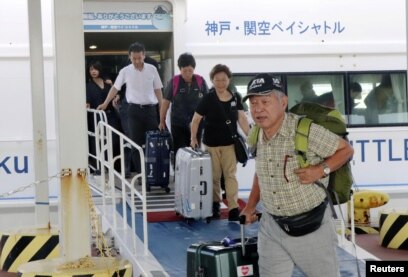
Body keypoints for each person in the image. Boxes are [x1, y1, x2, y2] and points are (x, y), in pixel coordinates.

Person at [240, 73, 354, 276]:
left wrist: (320, 170)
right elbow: (262, 171)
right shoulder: (255, 134)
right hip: (272, 227)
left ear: (283, 103)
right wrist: (250, 206)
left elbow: (346, 150)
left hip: (311, 227)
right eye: (253, 103)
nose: (258, 109)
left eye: (265, 101)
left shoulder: (305, 131)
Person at [190, 64, 250, 221]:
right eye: (217, 80)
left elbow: (242, 118)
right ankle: (216, 204)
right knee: (215, 176)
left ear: (229, 80)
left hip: (229, 143)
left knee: (230, 175)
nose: (221, 83)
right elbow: (196, 120)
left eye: (224, 79)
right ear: (212, 80)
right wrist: (193, 138)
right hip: (211, 144)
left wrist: (250, 137)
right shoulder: (208, 98)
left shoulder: (235, 97)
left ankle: (233, 208)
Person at [98, 42, 163, 176]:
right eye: (134, 58)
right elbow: (115, 88)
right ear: (129, 57)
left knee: (154, 142)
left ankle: (154, 172)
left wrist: (162, 109)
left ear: (144, 55)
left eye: (139, 58)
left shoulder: (152, 69)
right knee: (135, 143)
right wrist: (105, 103)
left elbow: (158, 89)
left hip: (150, 110)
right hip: (133, 111)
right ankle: (141, 174)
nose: (137, 61)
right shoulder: (125, 71)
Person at [159, 53, 209, 161]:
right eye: (184, 70)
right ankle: (179, 177)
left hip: (197, 125)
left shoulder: (200, 82)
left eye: (190, 70)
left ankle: (193, 176)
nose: (187, 73)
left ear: (194, 69)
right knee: (180, 152)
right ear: (180, 69)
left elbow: (208, 102)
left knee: (195, 151)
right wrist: (162, 121)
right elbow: (165, 103)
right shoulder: (174, 82)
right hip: (178, 124)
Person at [86, 60, 122, 173]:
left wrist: (117, 97)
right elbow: (87, 101)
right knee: (97, 141)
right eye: (91, 69)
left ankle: (114, 165)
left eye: (95, 69)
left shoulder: (108, 83)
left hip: (111, 115)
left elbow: (116, 94)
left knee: (114, 139)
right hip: (97, 117)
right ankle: (98, 166)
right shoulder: (88, 86)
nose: (93, 71)